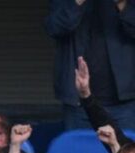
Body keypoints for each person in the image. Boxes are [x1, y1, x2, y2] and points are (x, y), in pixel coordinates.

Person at [48, 0, 135, 130]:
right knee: (77, 144)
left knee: (126, 143)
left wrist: (122, 4)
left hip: (124, 103)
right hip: (78, 103)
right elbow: (54, 27)